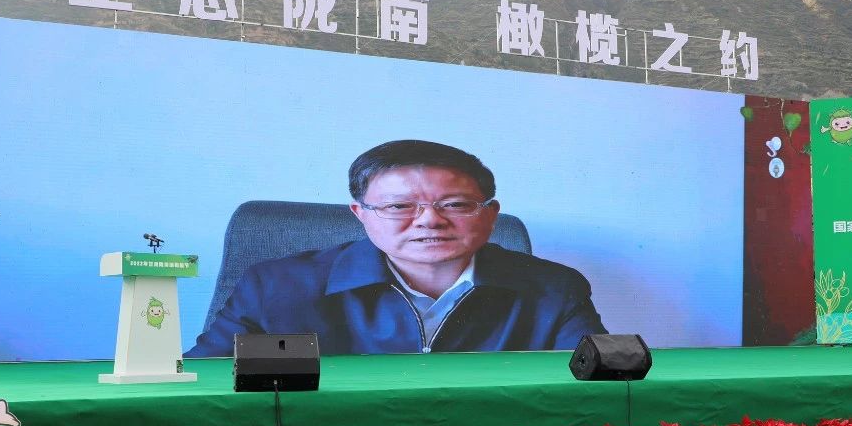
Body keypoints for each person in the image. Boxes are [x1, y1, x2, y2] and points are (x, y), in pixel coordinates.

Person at [186, 140, 607, 356]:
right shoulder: (276, 287)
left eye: (454, 204)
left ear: (490, 214)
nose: (429, 220)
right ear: (361, 214)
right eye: (399, 206)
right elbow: (205, 383)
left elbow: (600, 388)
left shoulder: (555, 289)